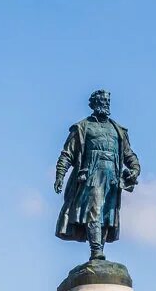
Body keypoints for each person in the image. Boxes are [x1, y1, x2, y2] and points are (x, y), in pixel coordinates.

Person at [54, 89, 141, 261]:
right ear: (93, 104)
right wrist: (60, 175)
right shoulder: (83, 127)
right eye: (101, 101)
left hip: (113, 177)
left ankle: (99, 247)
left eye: (107, 101)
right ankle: (96, 250)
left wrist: (135, 169)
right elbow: (67, 154)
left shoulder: (118, 130)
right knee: (94, 210)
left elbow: (129, 155)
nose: (105, 103)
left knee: (107, 215)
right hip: (92, 176)